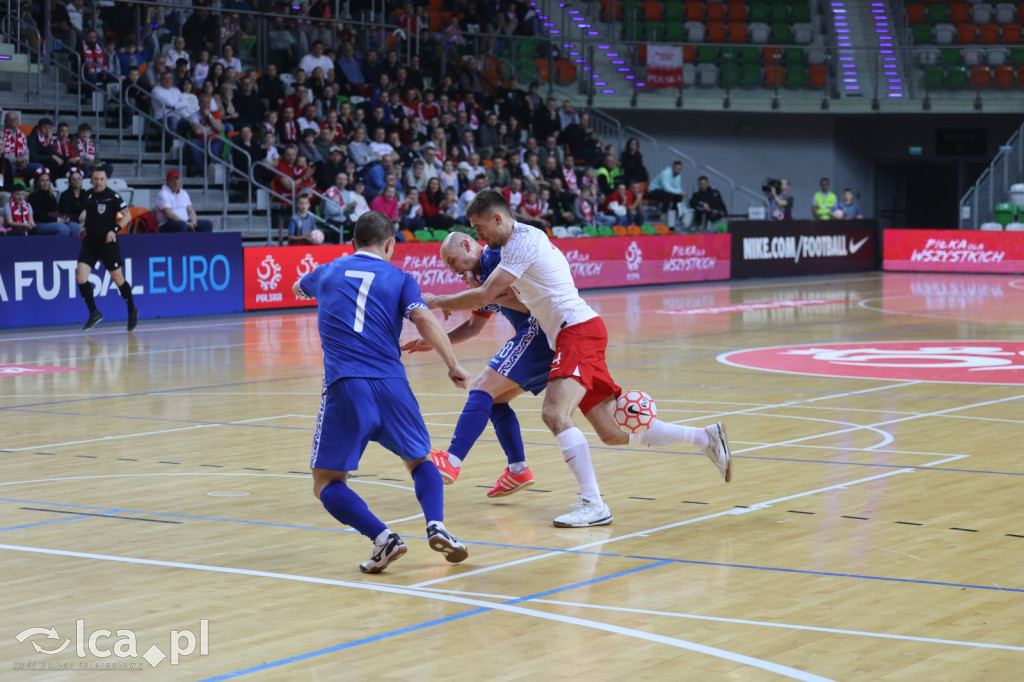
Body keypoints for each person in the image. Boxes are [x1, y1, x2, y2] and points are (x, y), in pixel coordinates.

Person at [420, 191, 733, 527]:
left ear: (498, 218)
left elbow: (484, 296)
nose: (480, 237)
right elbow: (492, 299)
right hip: (573, 333)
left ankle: (593, 503)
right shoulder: (508, 249)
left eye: (480, 229)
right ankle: (705, 438)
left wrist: (434, 301)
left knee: (554, 413)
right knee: (612, 431)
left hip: (577, 330)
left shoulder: (522, 242)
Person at [291, 210, 471, 573]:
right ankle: (436, 525)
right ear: (390, 244)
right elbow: (422, 318)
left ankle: (383, 538)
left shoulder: (326, 271)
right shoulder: (401, 278)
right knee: (420, 460)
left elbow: (298, 287)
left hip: (347, 385)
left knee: (326, 482)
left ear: (352, 242)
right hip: (393, 385)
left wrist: (309, 287)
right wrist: (452, 364)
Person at [403, 232, 551, 496]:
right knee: (494, 400)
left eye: (452, 260)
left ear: (467, 244)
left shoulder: (495, 259)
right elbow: (473, 327)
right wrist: (437, 341)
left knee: (481, 388)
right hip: (540, 336)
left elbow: (522, 303)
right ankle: (518, 469)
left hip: (539, 330)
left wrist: (450, 299)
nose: (452, 268)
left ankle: (452, 460)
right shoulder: (482, 279)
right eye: (447, 266)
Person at [76, 167, 137, 331]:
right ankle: (94, 312)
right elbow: (91, 214)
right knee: (81, 277)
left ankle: (131, 309)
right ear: (91, 180)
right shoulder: (87, 194)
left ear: (106, 179)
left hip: (107, 243)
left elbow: (128, 215)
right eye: (95, 179)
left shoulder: (113, 196)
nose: (98, 182)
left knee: (118, 280)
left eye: (101, 179)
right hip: (90, 243)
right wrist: (86, 227)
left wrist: (114, 230)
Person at [28, 171, 74, 236]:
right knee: (63, 229)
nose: (45, 183)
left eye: (47, 180)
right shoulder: (33, 196)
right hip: (40, 223)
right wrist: (56, 219)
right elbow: (37, 215)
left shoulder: (51, 196)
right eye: (42, 181)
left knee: (75, 227)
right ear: (37, 182)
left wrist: (63, 217)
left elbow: (56, 211)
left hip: (53, 221)